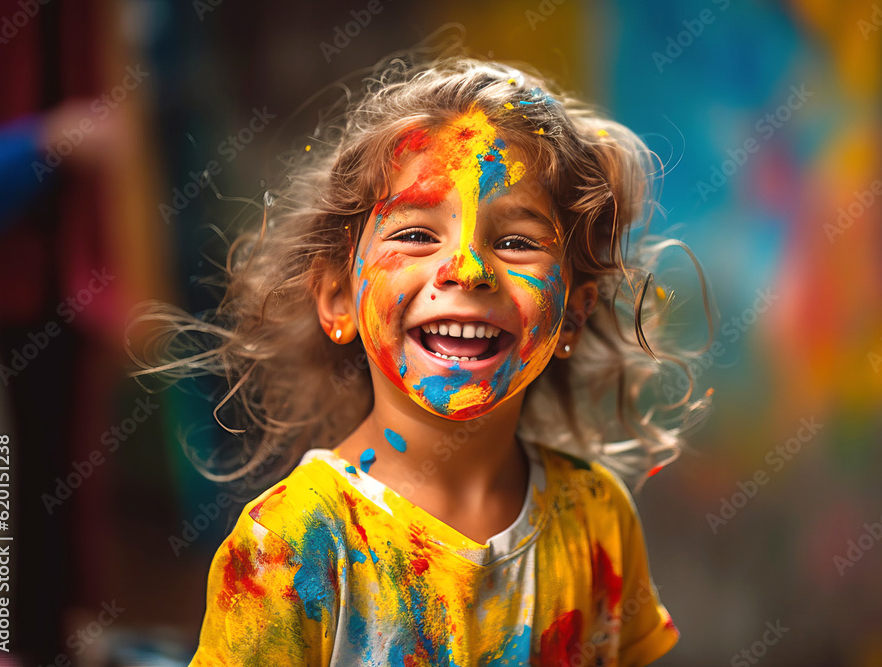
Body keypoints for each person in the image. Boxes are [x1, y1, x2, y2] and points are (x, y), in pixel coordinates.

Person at [129, 48, 713, 665]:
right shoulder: (292, 546)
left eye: (516, 242)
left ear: (573, 311)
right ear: (337, 297)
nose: (467, 269)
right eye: (415, 235)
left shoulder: (596, 516)